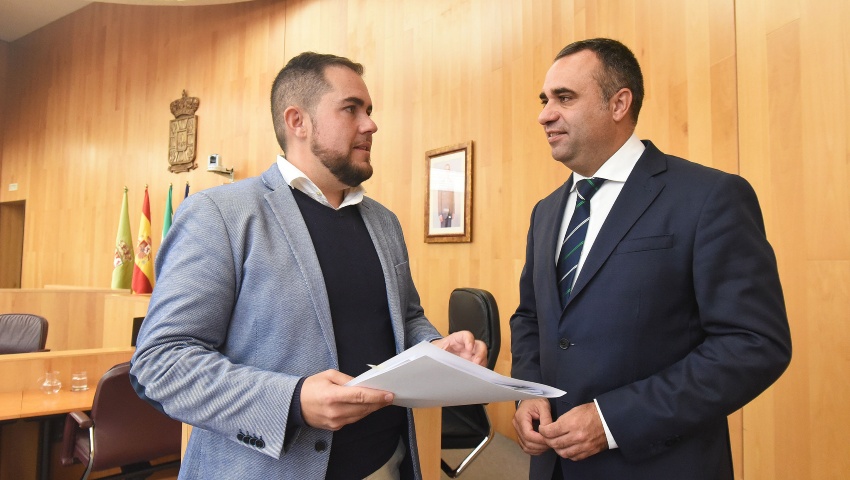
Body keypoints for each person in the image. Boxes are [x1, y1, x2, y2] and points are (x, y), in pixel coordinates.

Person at [130, 52, 486, 480]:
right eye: (351, 109)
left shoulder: (384, 222)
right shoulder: (219, 215)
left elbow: (406, 318)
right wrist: (292, 401)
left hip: (387, 464)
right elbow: (161, 363)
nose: (371, 124)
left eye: (369, 110)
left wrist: (436, 349)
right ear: (297, 121)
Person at [509, 38, 792, 479]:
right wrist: (528, 392)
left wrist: (612, 421)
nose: (545, 114)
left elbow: (753, 344)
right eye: (545, 100)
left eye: (564, 98)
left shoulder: (709, 197)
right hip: (553, 465)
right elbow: (531, 318)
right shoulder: (545, 212)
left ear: (619, 103)